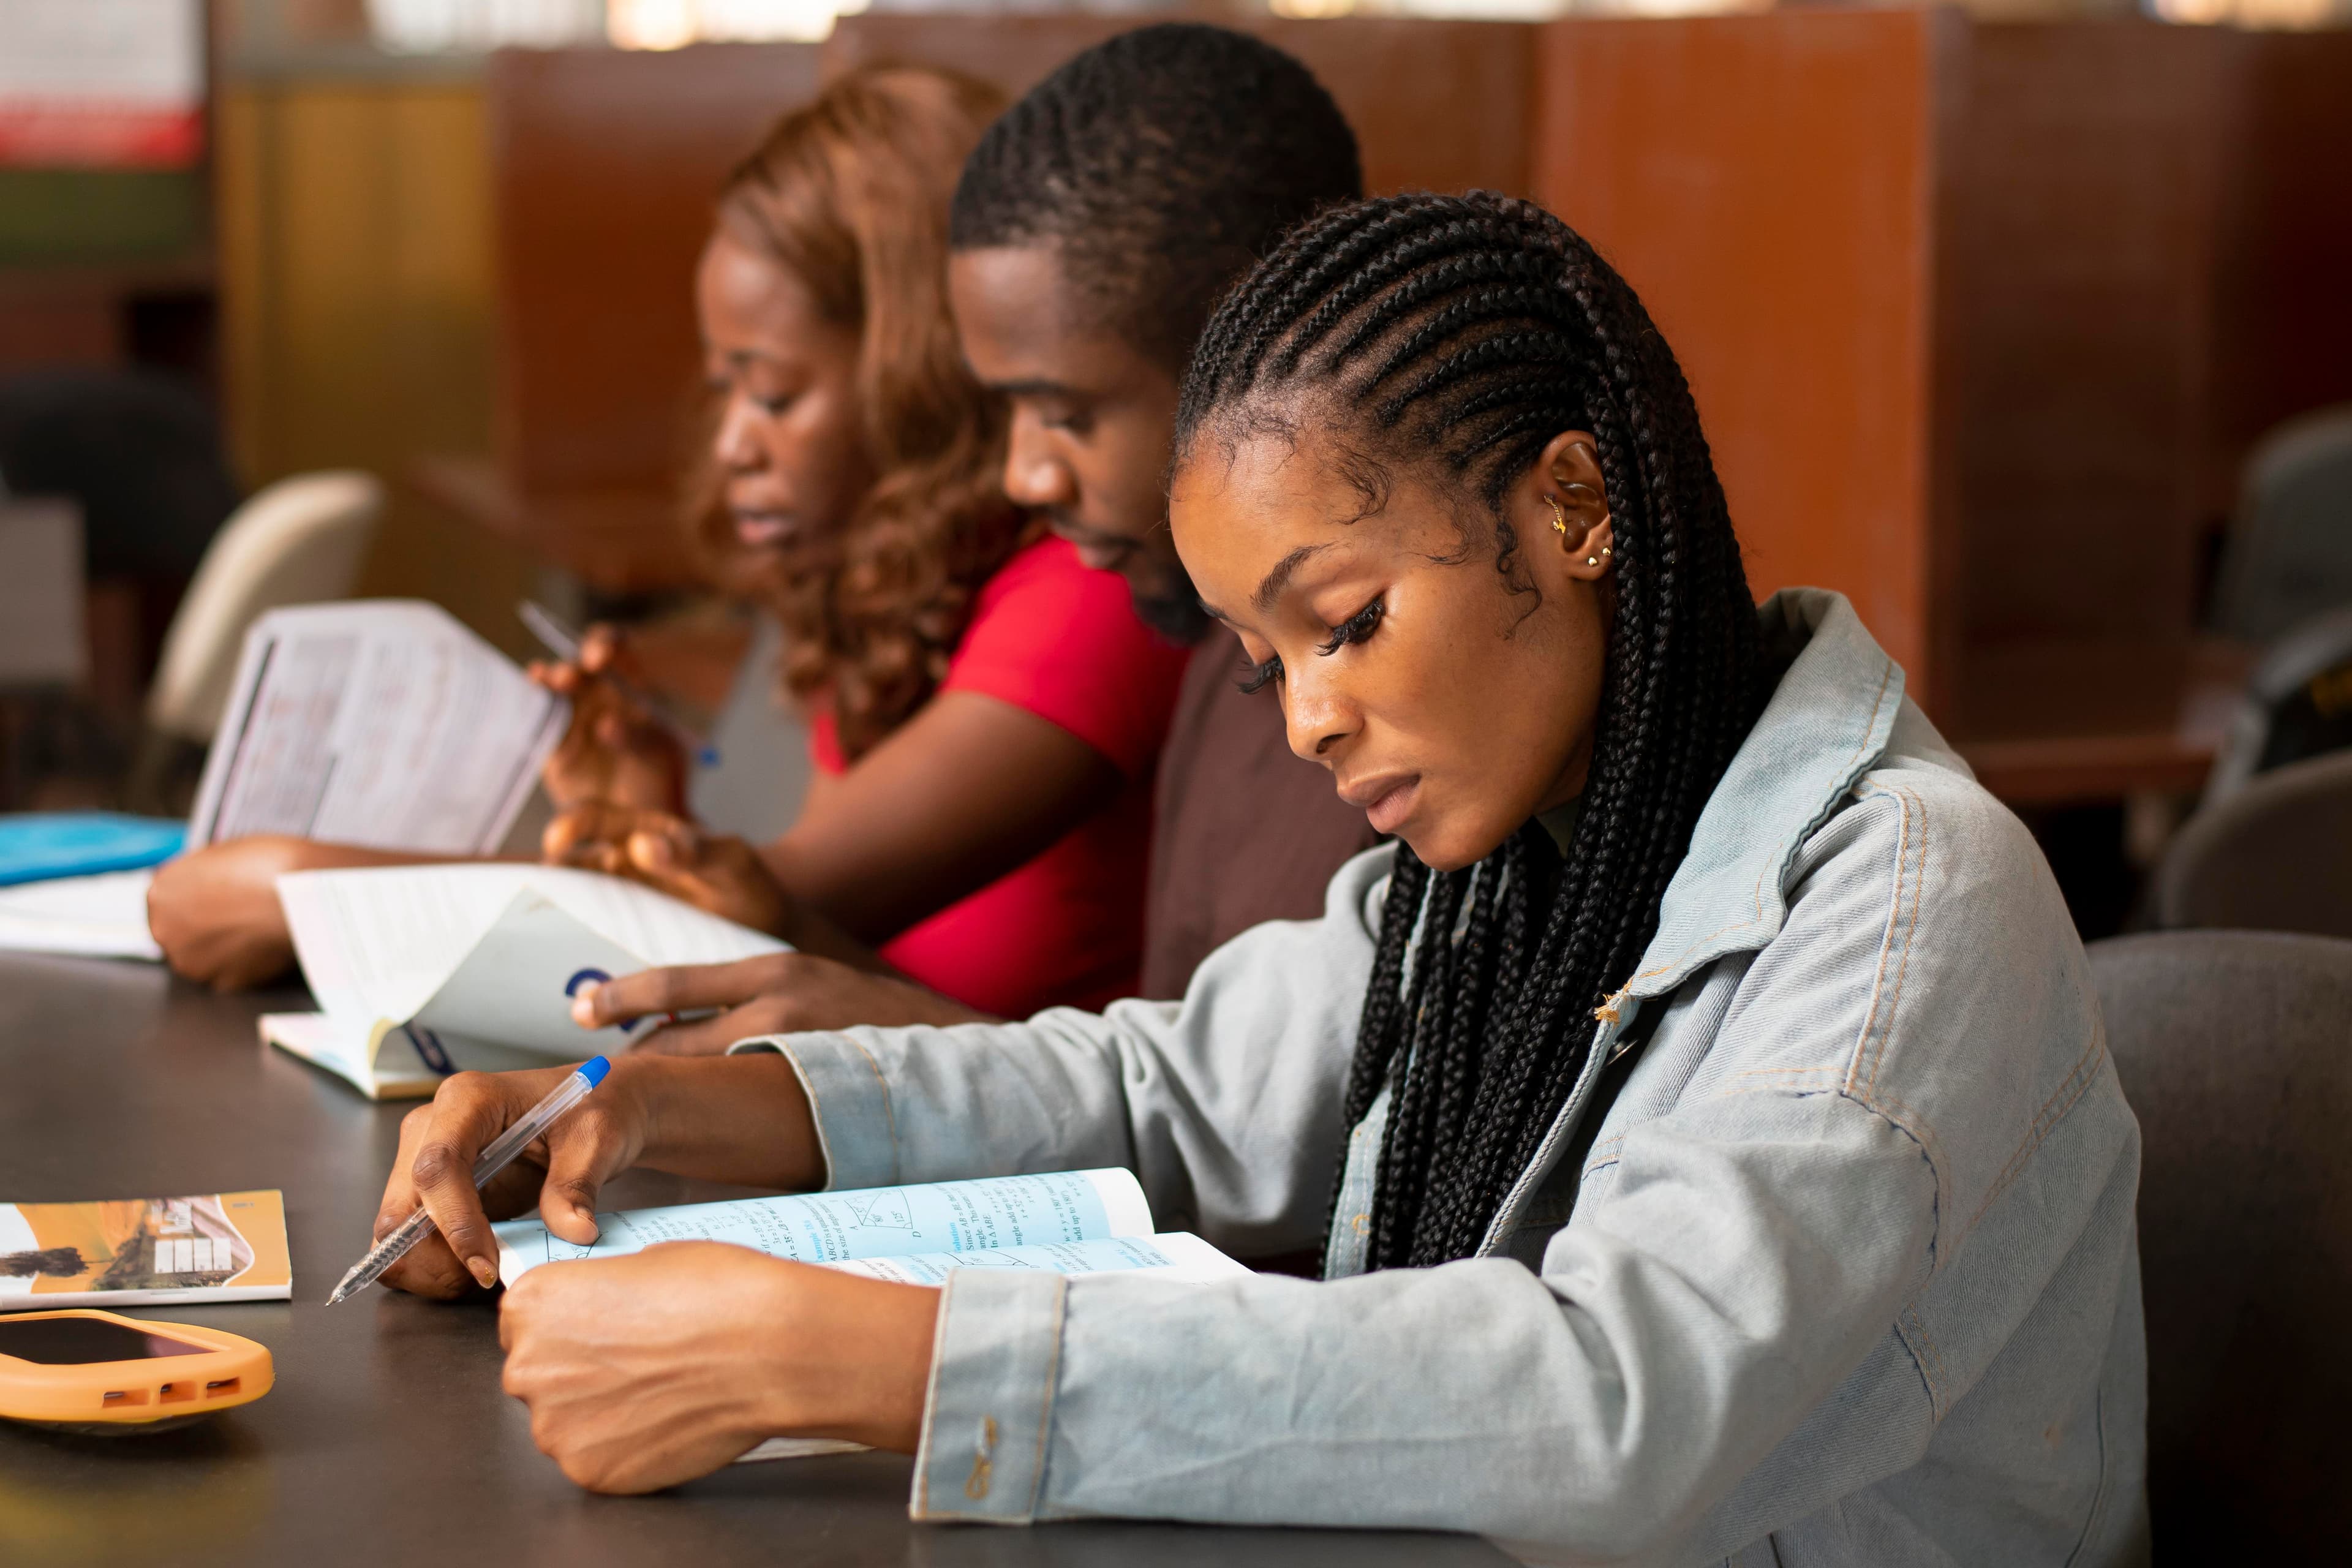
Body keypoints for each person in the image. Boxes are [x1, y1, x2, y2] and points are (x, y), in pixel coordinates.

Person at [369, 194, 2146, 1562]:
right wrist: (681, 1113)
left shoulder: (1913, 907)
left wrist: (872, 1367)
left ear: (1576, 510)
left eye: (1347, 623)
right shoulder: (1512, 857)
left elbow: (1622, 1398)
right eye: (1266, 660)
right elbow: (1164, 1089)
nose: (1307, 720)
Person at [146, 66, 1191, 1020]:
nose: (734, 442)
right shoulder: (905, 584)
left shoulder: (1088, 601)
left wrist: (307, 887)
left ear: (918, 382)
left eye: (776, 394)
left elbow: (771, 904)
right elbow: (799, 945)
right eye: (724, 384)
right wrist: (656, 822)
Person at [562, 24, 1382, 1054]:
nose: (1024, 474)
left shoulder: (1122, 605)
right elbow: (1188, 1103)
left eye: (1067, 414)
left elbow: (1237, 1130)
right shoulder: (1214, 642)